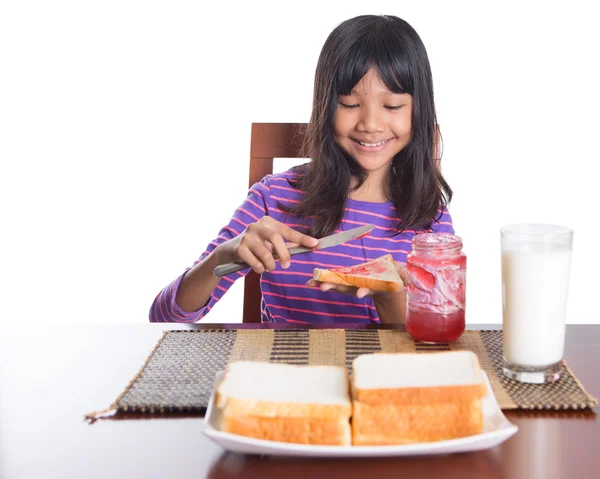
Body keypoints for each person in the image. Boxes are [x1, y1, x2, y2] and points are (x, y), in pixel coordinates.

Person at [150, 14, 454, 325]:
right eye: (349, 104)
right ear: (325, 105)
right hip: (282, 369)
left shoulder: (430, 219)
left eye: (391, 106)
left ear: (419, 111)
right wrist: (225, 255)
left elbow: (432, 347)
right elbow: (165, 316)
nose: (371, 125)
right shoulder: (273, 198)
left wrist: (388, 296)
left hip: (378, 373)